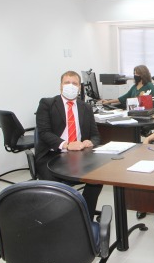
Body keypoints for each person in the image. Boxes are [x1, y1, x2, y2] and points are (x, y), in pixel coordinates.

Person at [35, 70, 103, 220]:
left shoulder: (85, 107)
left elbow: (96, 135)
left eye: (75, 83)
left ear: (80, 87)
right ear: (60, 86)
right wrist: (66, 144)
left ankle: (85, 216)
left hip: (79, 155)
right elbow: (44, 133)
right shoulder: (47, 104)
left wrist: (90, 142)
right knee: (54, 188)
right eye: (67, 83)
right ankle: (58, 220)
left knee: (97, 179)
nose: (71, 86)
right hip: (51, 154)